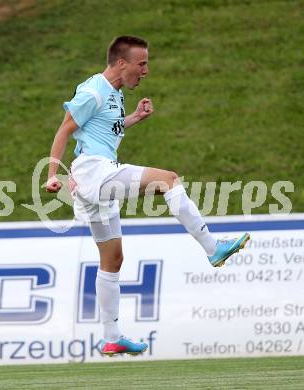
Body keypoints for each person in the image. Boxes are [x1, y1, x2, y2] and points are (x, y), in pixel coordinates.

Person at [46, 35, 250, 357]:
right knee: (169, 180)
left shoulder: (113, 93)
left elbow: (101, 130)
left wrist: (133, 120)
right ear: (121, 62)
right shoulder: (92, 91)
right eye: (142, 64)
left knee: (112, 260)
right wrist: (51, 175)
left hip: (93, 178)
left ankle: (111, 337)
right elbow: (65, 129)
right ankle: (213, 248)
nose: (146, 71)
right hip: (95, 173)